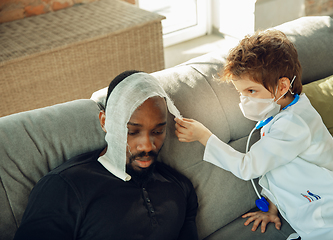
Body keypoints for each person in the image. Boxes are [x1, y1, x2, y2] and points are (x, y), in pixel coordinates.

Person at [174, 29, 333, 240]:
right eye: (240, 93)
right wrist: (272, 207)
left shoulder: (293, 124)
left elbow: (247, 167)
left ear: (282, 87)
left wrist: (204, 137)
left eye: (251, 91)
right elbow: (279, 167)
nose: (244, 100)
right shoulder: (279, 115)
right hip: (314, 214)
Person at [14, 71, 199, 240]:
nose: (147, 145)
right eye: (132, 131)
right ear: (105, 121)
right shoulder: (63, 188)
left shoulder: (180, 187)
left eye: (157, 131)